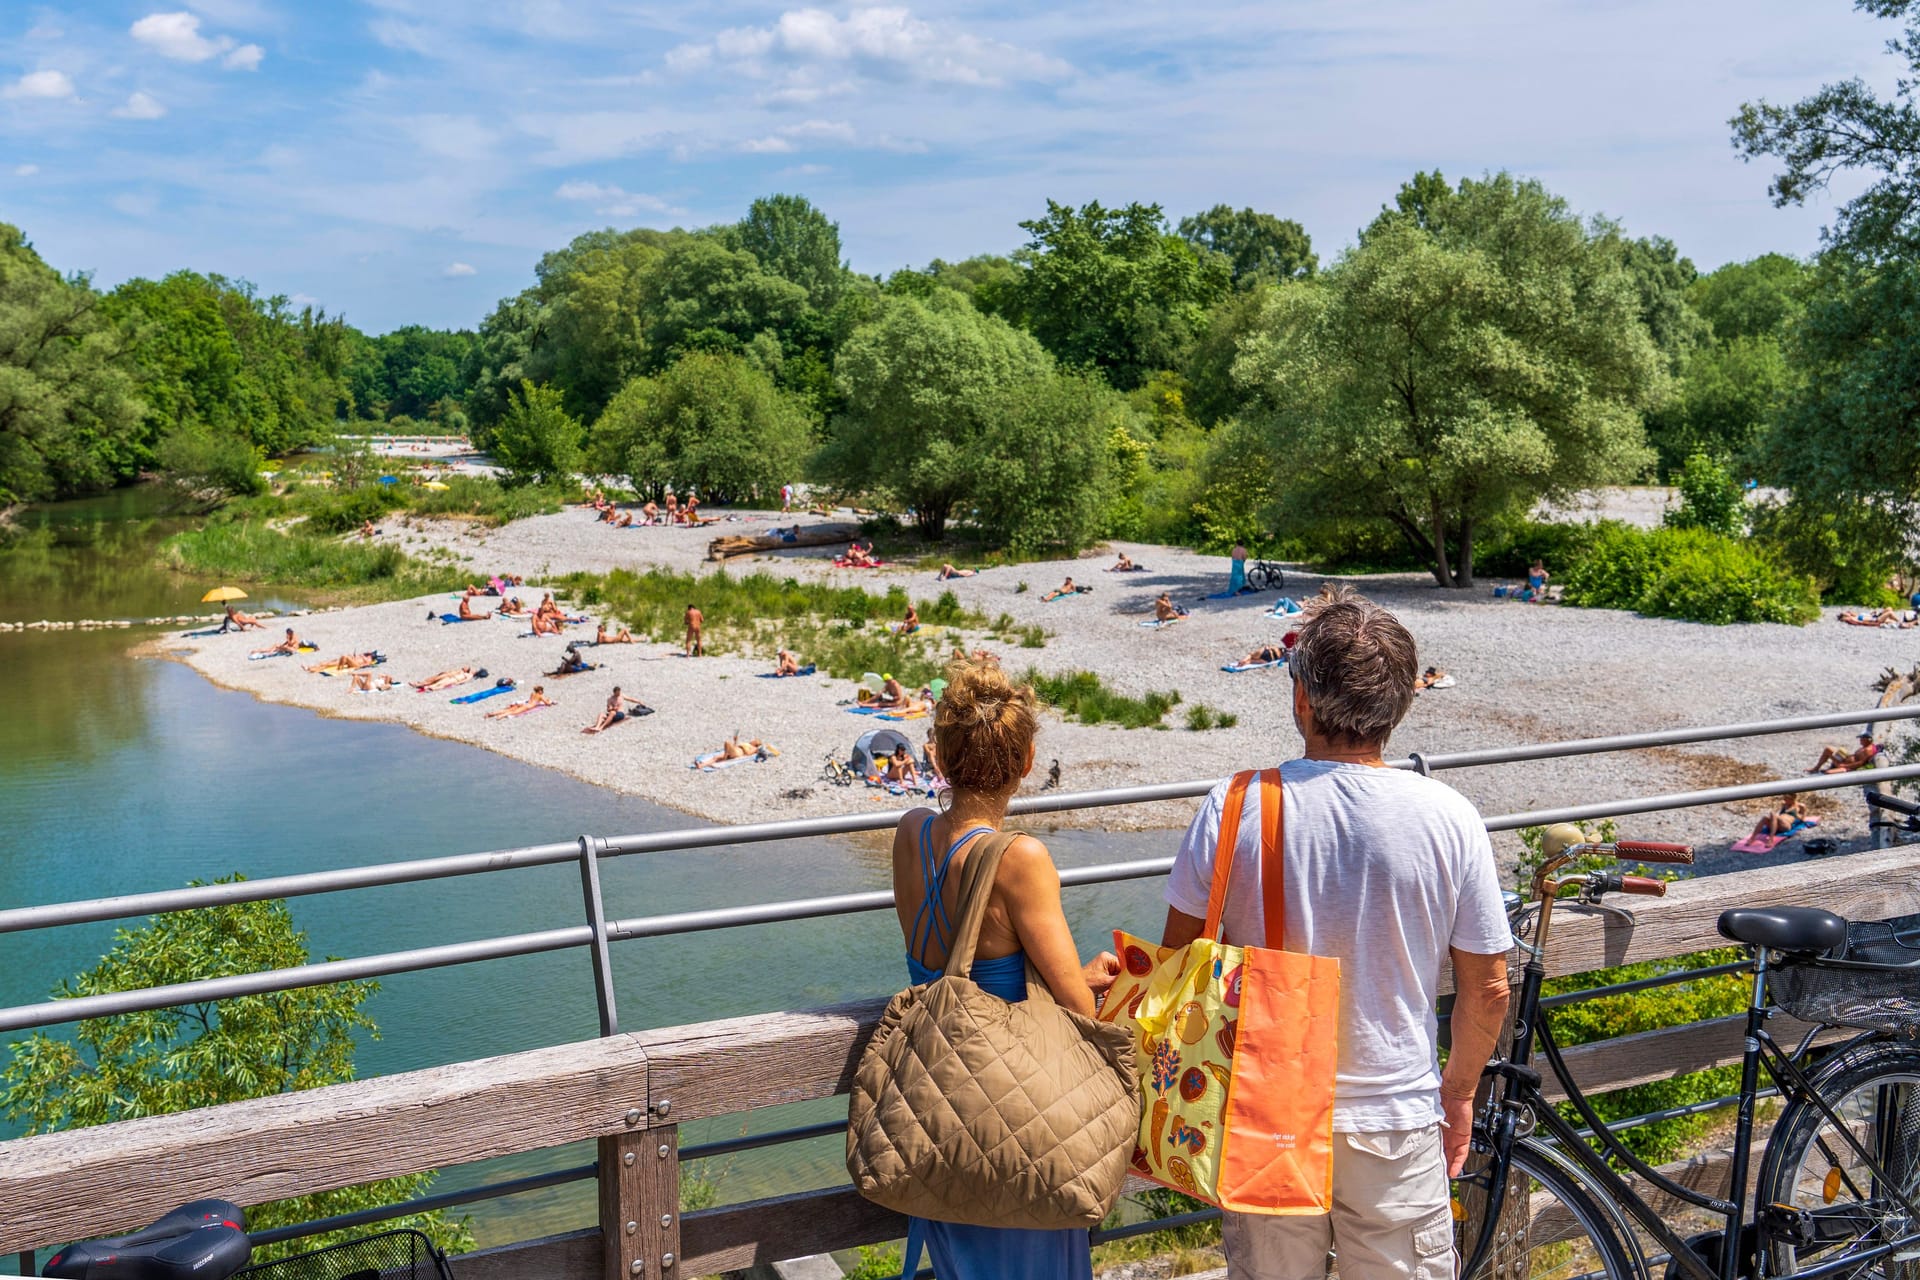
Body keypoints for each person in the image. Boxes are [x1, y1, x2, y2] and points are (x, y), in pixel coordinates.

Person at [1161, 585, 1512, 1280]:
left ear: (1301, 699)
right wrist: (1459, 1092)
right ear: (1402, 705)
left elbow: (1176, 967)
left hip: (1267, 1114)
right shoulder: (1449, 817)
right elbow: (1490, 989)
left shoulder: (1235, 807)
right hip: (1393, 1115)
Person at [889, 659, 1120, 1279]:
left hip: (941, 1103)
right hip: (1014, 1120)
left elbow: (953, 962)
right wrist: (1079, 975)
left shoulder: (910, 834)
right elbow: (1080, 1009)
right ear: (1026, 761)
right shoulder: (1020, 857)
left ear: (938, 758)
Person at [584, 685, 649, 734]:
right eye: (617, 693)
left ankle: (601, 727)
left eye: (619, 692)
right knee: (601, 714)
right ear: (614, 692)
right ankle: (597, 726)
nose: (618, 694)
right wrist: (612, 708)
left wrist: (639, 702)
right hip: (612, 713)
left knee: (612, 713)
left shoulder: (622, 696)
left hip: (620, 714)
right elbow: (608, 708)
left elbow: (631, 699)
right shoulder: (610, 699)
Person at [694, 732, 780, 769]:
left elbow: (750, 753)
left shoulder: (754, 749)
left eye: (755, 740)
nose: (753, 740)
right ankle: (701, 765)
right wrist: (735, 740)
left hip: (738, 753)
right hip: (735, 750)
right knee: (716, 757)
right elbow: (735, 746)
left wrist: (760, 750)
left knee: (727, 743)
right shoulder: (747, 744)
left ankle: (724, 757)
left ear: (756, 743)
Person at [1810, 733, 1879, 774]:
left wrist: (1844, 766)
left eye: (1861, 739)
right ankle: (1816, 768)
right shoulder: (1865, 747)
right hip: (1845, 761)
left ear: (1867, 740)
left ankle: (1833, 768)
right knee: (1828, 749)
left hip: (1849, 768)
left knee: (1828, 773)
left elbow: (1860, 763)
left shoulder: (1868, 750)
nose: (1860, 740)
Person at [485, 685, 552, 719]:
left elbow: (530, 700)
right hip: (527, 706)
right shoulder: (540, 696)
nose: (542, 691)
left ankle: (492, 714)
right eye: (542, 690)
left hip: (525, 704)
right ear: (540, 690)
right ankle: (501, 716)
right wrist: (549, 701)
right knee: (514, 712)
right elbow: (547, 703)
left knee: (509, 709)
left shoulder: (532, 693)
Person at [413, 665, 477, 692]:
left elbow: (464, 680)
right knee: (433, 679)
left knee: (441, 683)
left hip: (453, 679)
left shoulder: (468, 675)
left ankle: (430, 688)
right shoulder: (461, 671)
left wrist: (457, 683)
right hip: (449, 676)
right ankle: (421, 684)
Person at [304, 651, 379, 673]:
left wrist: (365, 661)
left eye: (372, 654)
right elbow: (363, 653)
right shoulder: (365, 655)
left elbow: (364, 665)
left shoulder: (369, 660)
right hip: (351, 663)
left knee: (344, 656)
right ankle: (310, 668)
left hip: (356, 665)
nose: (370, 654)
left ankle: (339, 669)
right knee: (327, 664)